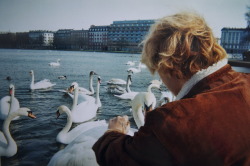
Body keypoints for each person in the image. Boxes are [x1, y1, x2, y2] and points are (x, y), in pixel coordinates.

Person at [92, 11, 250, 166]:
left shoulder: (172, 120)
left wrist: (113, 132)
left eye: (157, 69)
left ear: (166, 65)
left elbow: (117, 158)